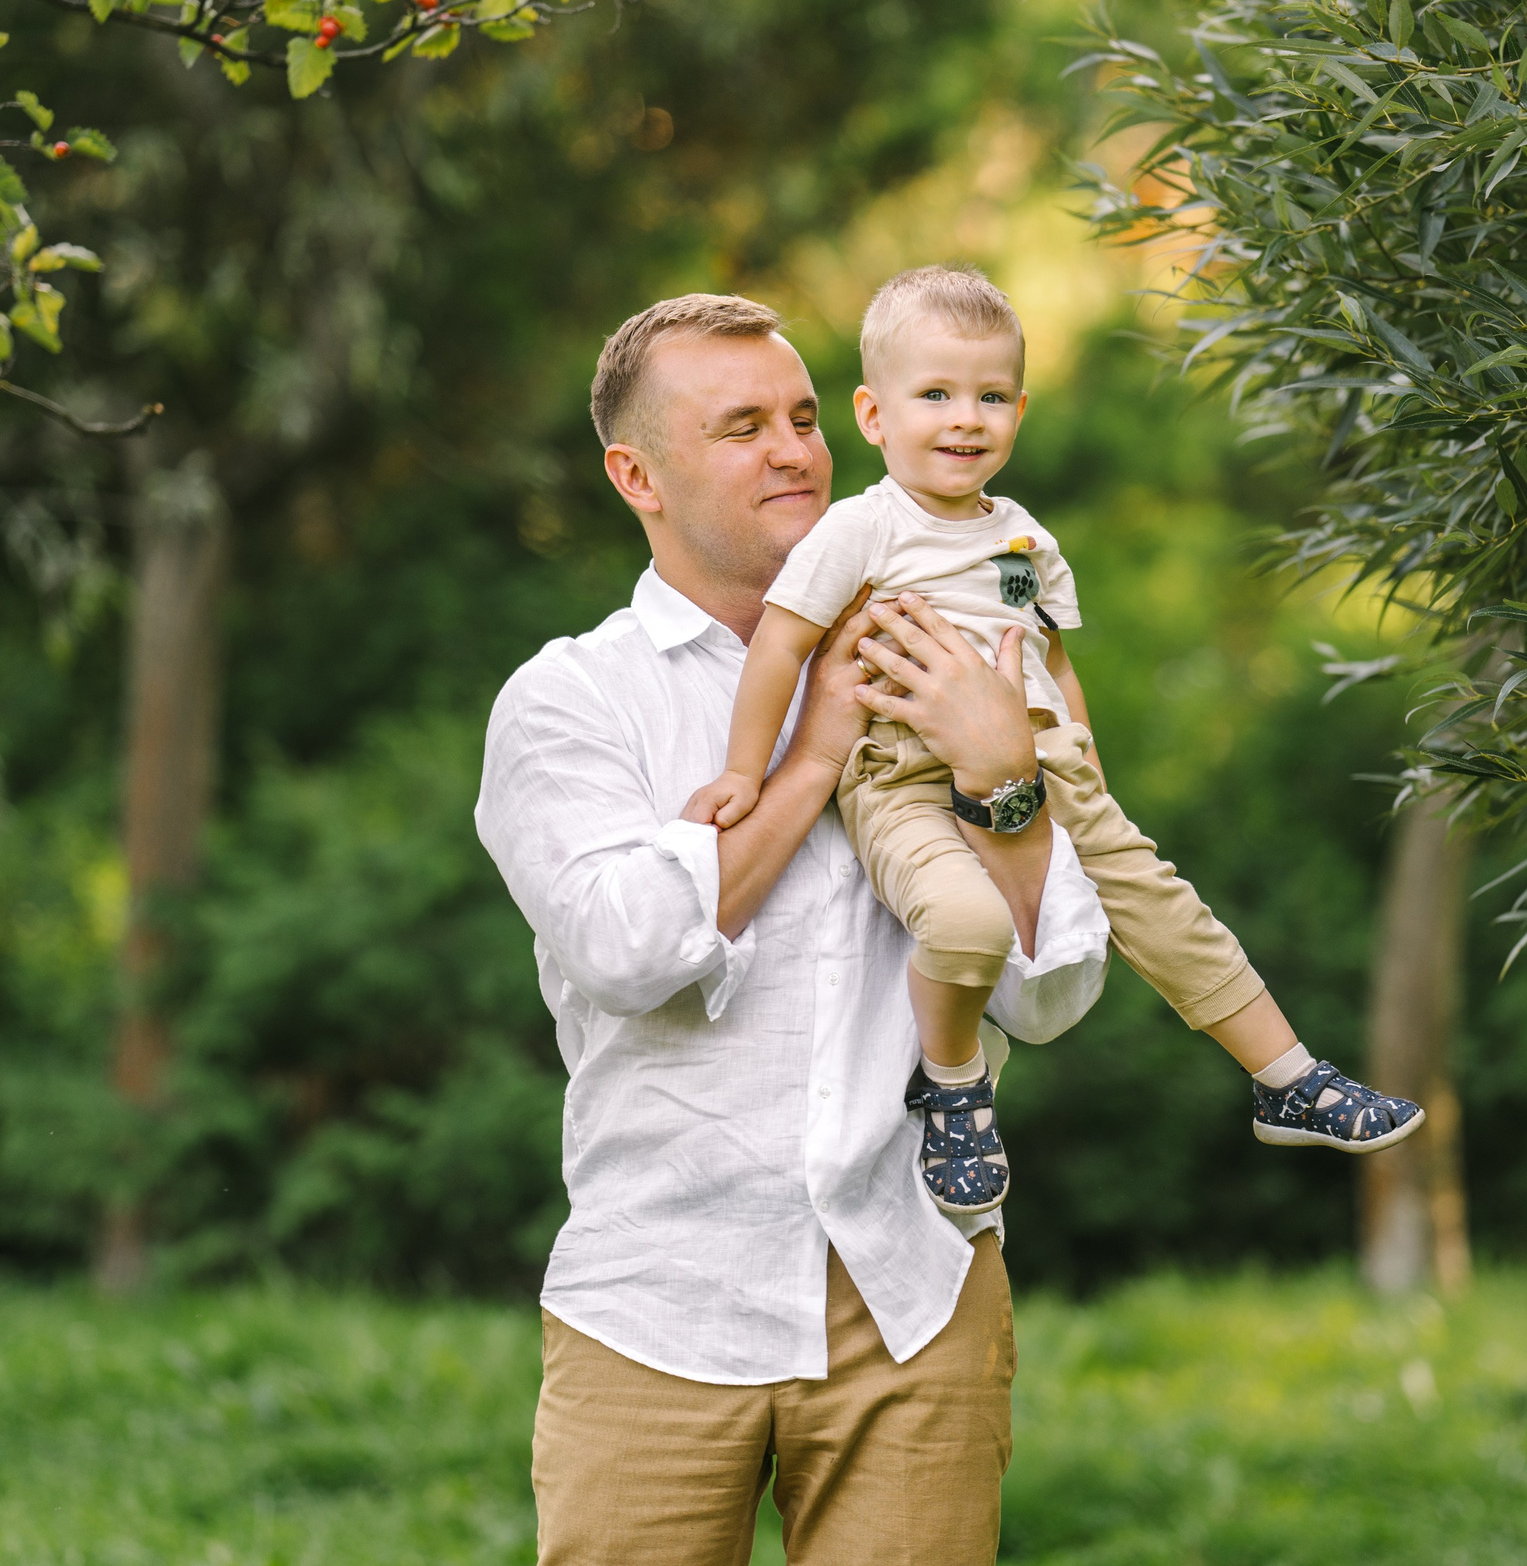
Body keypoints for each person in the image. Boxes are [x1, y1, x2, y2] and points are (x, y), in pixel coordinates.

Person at [475, 291, 1115, 1565]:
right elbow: (629, 949)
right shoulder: (572, 699)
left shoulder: (967, 653)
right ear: (635, 475)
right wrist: (816, 749)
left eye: (807, 417)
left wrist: (1000, 781)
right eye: (742, 426)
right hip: (657, 1303)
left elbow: (1052, 994)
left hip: (916, 1293)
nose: (795, 451)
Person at [684, 265, 1423, 1216]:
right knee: (966, 922)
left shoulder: (1025, 543)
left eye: (991, 397)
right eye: (937, 395)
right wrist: (749, 770)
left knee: (1167, 905)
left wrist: (1088, 775)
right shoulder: (859, 530)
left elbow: (1052, 660)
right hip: (901, 773)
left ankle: (1288, 1074)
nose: (966, 418)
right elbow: (783, 644)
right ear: (872, 415)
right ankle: (953, 1085)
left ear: (1021, 410)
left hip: (1042, 763)